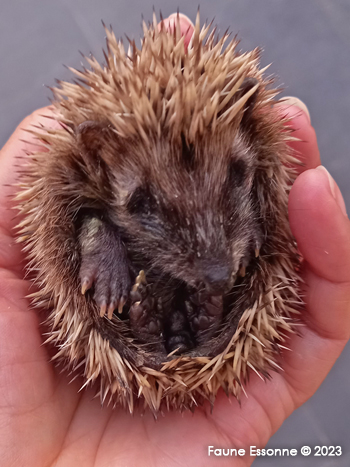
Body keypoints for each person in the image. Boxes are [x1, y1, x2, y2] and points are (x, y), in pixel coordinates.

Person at [0, 13, 349, 467]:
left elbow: (257, 220)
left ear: (245, 117)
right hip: (128, 288)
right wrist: (96, 236)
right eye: (149, 205)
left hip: (169, 306)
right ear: (95, 155)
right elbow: (73, 219)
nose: (216, 265)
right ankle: (172, 320)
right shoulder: (85, 170)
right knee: (92, 227)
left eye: (234, 178)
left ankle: (195, 323)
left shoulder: (248, 148)